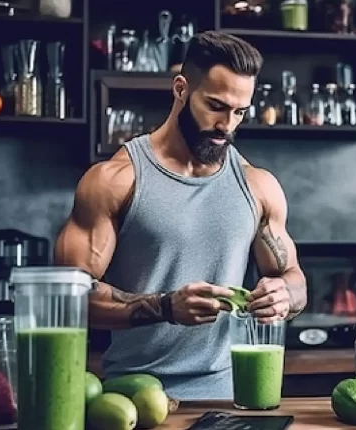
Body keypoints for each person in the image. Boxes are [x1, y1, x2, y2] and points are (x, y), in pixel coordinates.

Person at [54, 30, 307, 400]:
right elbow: (69, 295)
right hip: (134, 398)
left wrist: (285, 294)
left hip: (230, 398)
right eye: (216, 106)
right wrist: (166, 307)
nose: (228, 125)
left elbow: (295, 279)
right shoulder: (115, 180)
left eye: (240, 112)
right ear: (180, 89)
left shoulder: (258, 186)